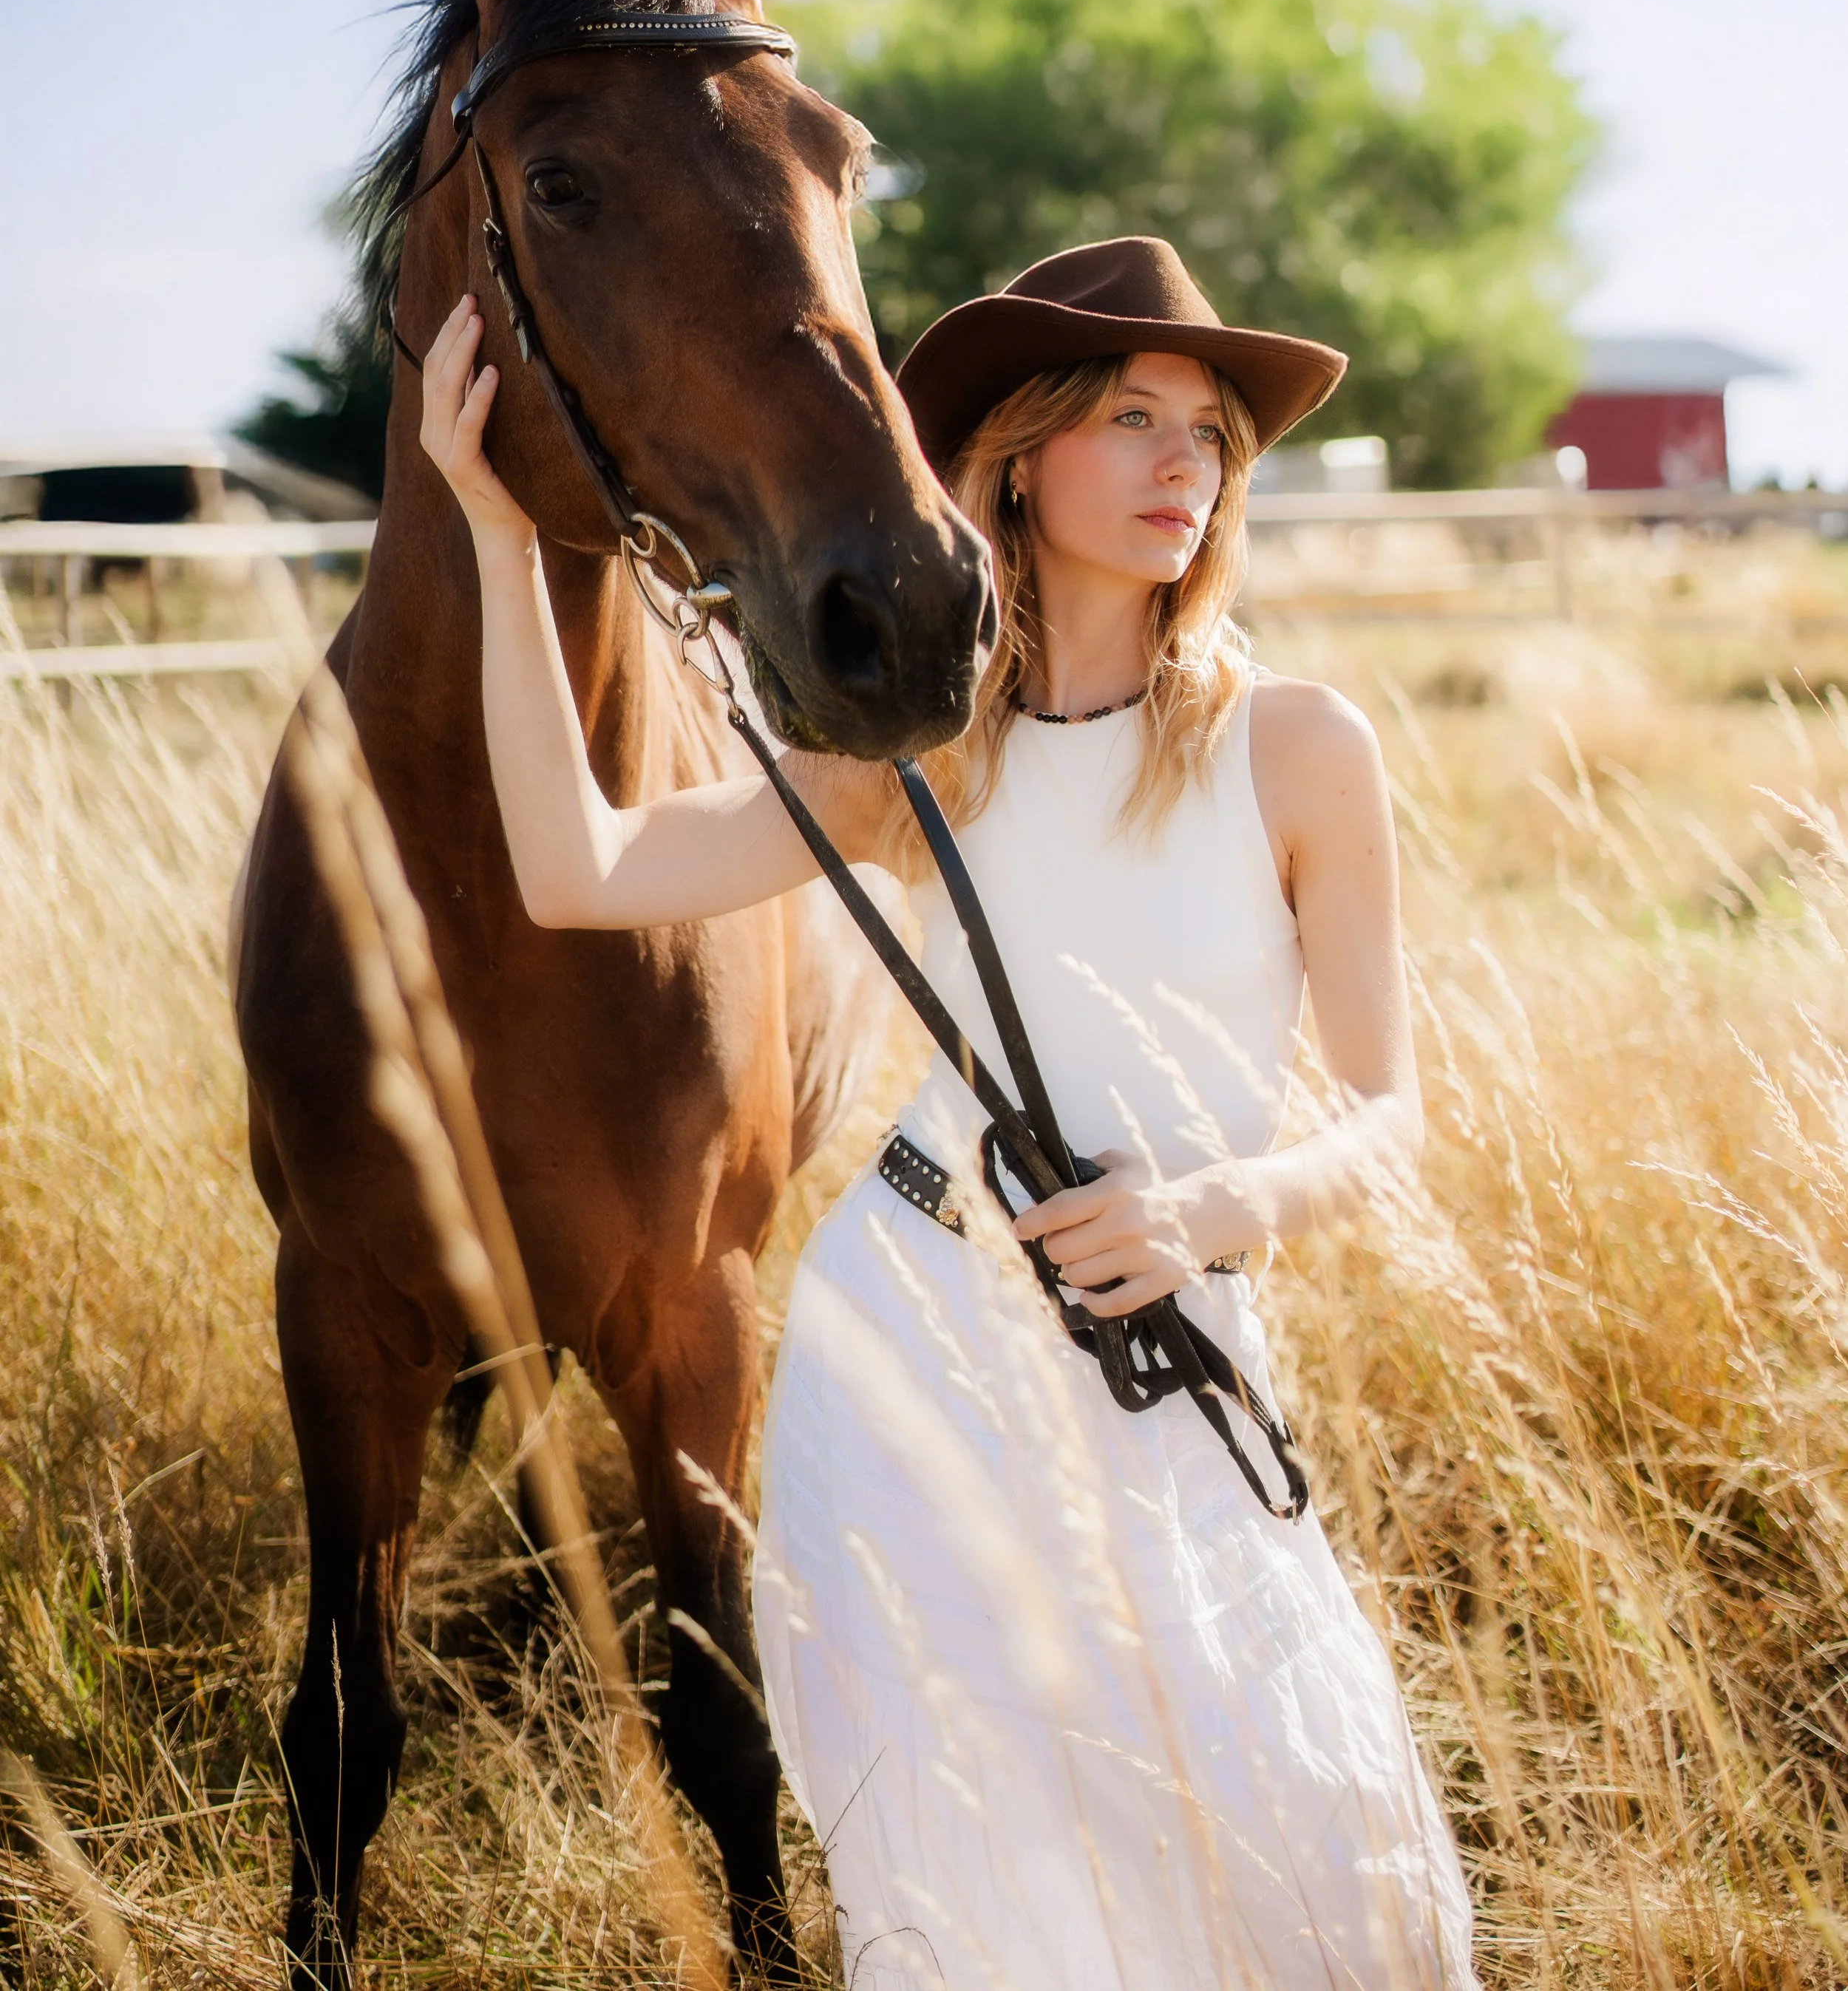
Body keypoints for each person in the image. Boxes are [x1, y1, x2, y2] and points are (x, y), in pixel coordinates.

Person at [419, 238, 1477, 1990]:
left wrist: (1201, 1214)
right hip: (902, 1351)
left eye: (1205, 435)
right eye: (1128, 419)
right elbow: (575, 865)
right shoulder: (920, 756)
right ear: (1014, 455)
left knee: (1283, 1822)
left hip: (1160, 1338)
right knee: (970, 1845)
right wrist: (502, 531)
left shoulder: (1295, 748)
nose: (1177, 466)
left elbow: (1386, 1121)